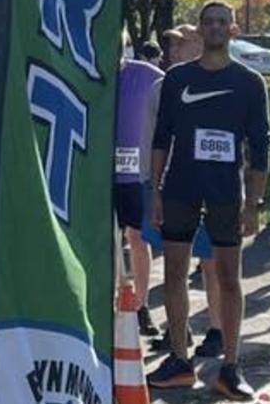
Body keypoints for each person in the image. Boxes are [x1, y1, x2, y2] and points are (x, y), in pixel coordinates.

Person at [146, 1, 269, 400]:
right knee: (174, 275)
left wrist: (254, 203)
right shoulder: (178, 77)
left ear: (232, 29)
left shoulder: (250, 82)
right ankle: (180, 360)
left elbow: (261, 147)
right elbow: (162, 136)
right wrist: (155, 190)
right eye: (209, 21)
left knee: (229, 278)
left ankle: (230, 368)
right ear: (200, 30)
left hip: (224, 192)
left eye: (222, 22)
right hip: (181, 186)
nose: (215, 27)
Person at [113, 52, 165, 339]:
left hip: (136, 173)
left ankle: (141, 305)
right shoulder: (91, 74)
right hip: (100, 174)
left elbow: (172, 100)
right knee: (104, 241)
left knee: (138, 238)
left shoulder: (145, 74)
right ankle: (107, 306)